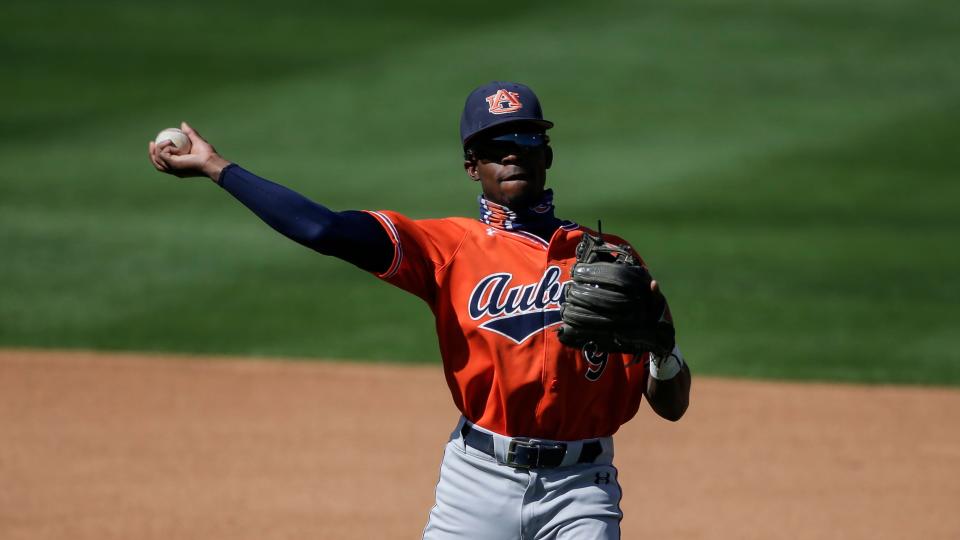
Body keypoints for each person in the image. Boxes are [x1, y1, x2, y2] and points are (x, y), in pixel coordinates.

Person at [148, 81, 691, 539]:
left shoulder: (612, 260)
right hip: (478, 481)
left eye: (525, 139)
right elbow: (325, 229)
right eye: (494, 144)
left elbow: (671, 404)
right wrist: (217, 166)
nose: (512, 153)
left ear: (546, 155)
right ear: (470, 165)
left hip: (581, 490)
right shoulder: (446, 248)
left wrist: (663, 351)